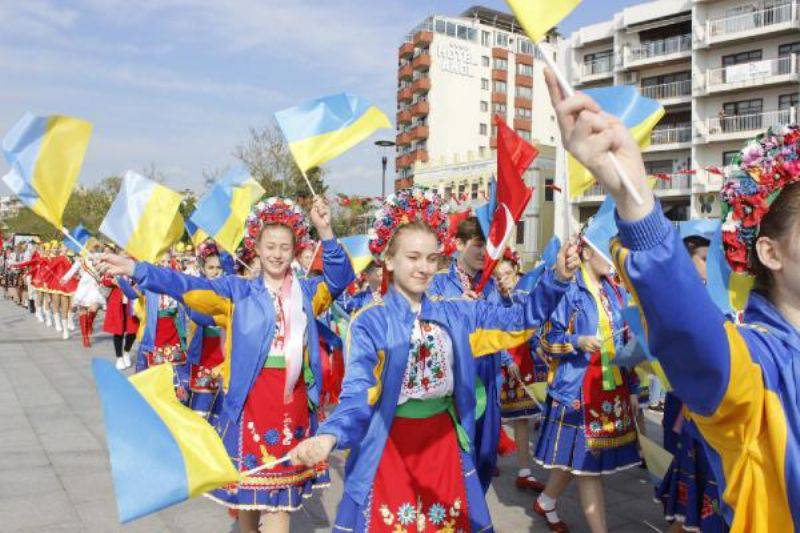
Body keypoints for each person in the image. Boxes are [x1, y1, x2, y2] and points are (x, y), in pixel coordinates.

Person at [545, 64, 799, 531]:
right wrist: (635, 199)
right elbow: (692, 336)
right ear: (771, 251)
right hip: (579, 395)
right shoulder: (758, 364)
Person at [288, 188, 579, 532]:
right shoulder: (370, 321)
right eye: (413, 257)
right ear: (390, 260)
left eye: (431, 258)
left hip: (444, 444)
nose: (424, 268)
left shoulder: (456, 313)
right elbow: (357, 394)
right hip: (391, 447)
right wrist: (330, 436)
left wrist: (558, 279)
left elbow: (520, 320)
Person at [97, 196, 354, 533]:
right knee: (247, 497)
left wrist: (326, 230)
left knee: (277, 501)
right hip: (249, 403)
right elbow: (188, 286)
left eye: (284, 247)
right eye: (270, 246)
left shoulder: (307, 293)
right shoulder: (237, 292)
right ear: (257, 248)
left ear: (295, 251)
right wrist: (137, 269)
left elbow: (340, 278)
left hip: (291, 407)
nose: (277, 253)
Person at [534, 236, 640, 533]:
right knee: (588, 467)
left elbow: (627, 342)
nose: (613, 258)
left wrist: (632, 388)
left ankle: (546, 500)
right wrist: (577, 341)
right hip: (578, 388)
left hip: (610, 387)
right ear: (587, 252)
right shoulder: (568, 288)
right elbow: (544, 339)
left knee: (575, 460)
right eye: (607, 252)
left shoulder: (616, 292)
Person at [426, 216, 515, 492]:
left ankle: (475, 515)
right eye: (477, 245)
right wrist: (457, 306)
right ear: (458, 245)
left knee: (486, 455)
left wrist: (507, 299)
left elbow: (506, 327)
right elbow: (425, 317)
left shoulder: (490, 283)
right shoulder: (440, 283)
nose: (483, 252)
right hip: (456, 379)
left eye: (486, 246)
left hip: (488, 377)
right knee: (457, 453)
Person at [656, 235, 727, 532]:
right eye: (702, 258)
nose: (709, 265)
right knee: (692, 500)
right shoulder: (676, 299)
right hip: (689, 406)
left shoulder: (720, 294)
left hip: (717, 410)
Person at [493, 250, 549, 493]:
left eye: (506, 274)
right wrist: (506, 359)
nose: (502, 279)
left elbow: (532, 331)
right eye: (498, 276)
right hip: (500, 362)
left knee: (522, 418)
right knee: (493, 415)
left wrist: (540, 350)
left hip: (522, 361)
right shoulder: (493, 300)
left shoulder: (524, 298)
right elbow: (494, 333)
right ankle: (486, 458)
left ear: (516, 273)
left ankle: (524, 471)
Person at [185, 239, 226, 419]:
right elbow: (195, 316)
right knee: (200, 410)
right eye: (211, 268)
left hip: (224, 354)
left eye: (218, 267)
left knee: (222, 410)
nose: (215, 271)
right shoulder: (196, 291)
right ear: (202, 269)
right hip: (204, 353)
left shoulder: (230, 290)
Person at [60, 245, 106, 347]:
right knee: (82, 310)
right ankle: (85, 337)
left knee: (94, 308)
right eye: (91, 247)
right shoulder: (81, 260)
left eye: (95, 247)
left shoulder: (100, 259)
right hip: (83, 288)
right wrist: (65, 278)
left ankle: (89, 323)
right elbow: (72, 270)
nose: (93, 249)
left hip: (95, 288)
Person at [101, 247, 139, 369]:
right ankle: (119, 357)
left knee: (133, 329)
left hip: (131, 301)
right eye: (123, 251)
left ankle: (127, 351)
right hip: (116, 301)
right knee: (118, 330)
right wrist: (113, 281)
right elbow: (105, 280)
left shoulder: (136, 263)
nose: (126, 253)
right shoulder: (112, 264)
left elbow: (141, 279)